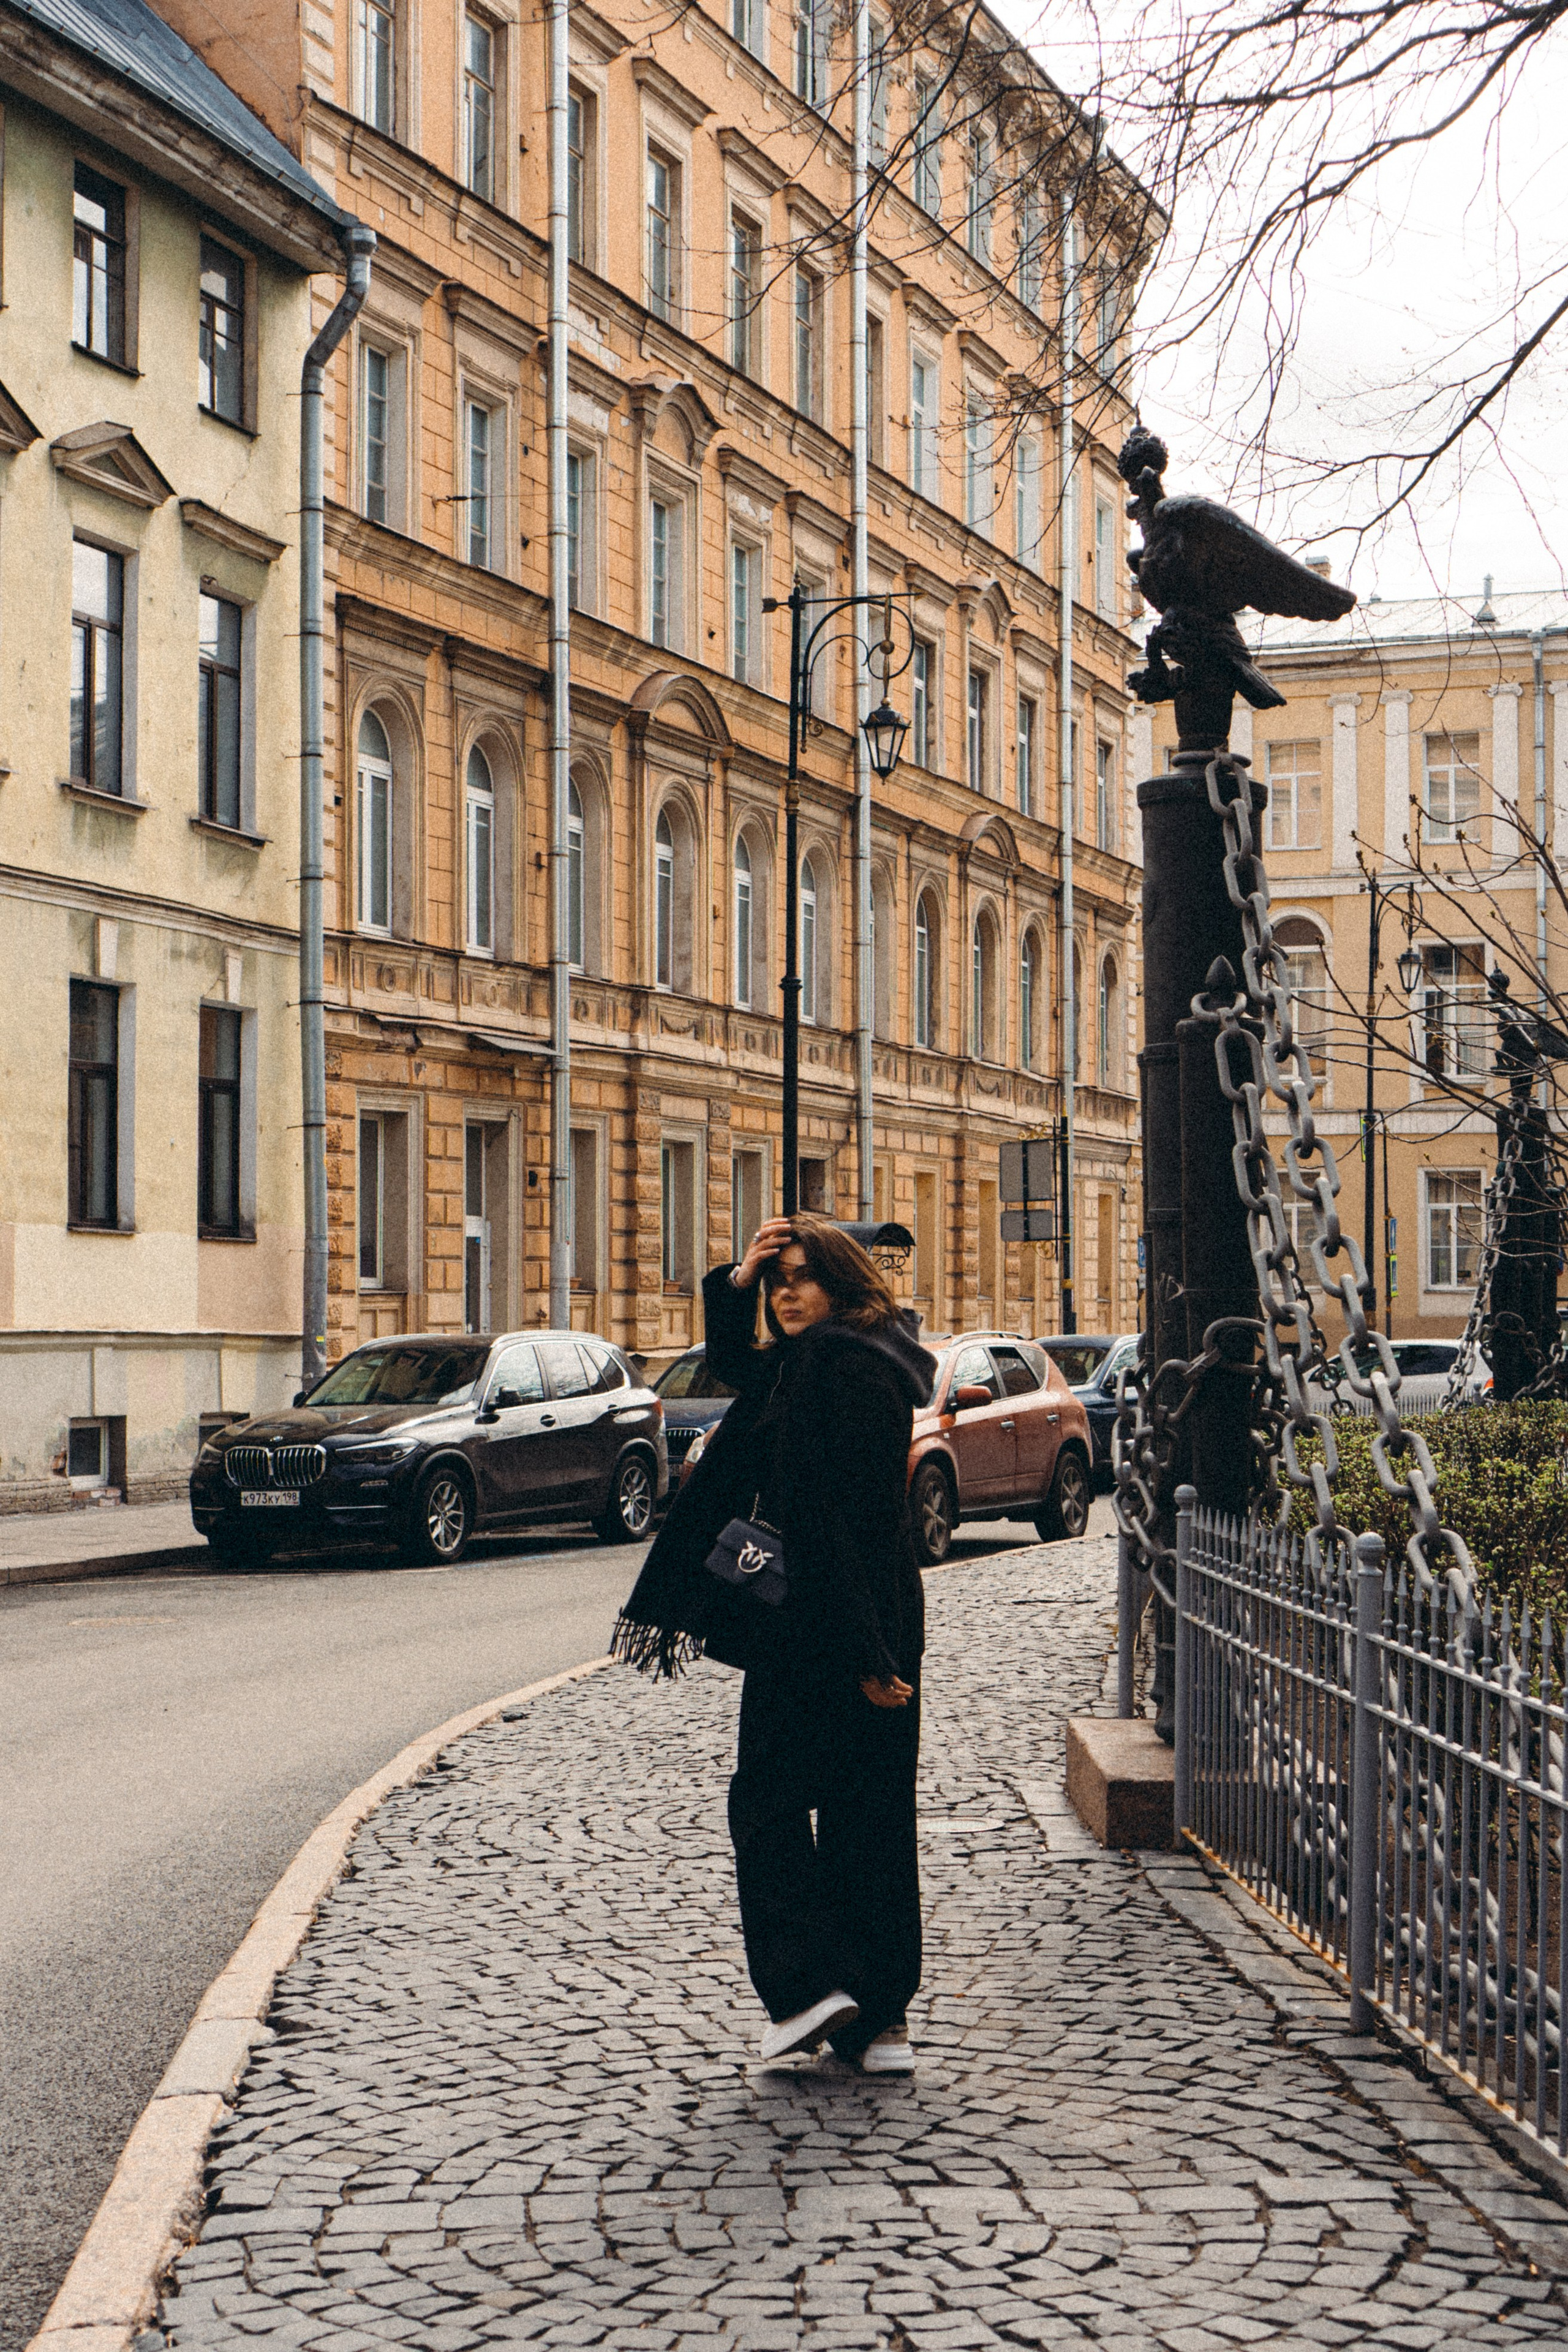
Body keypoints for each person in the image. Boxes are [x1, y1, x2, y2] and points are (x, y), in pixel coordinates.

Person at [612, 1213, 936, 2073]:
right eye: (779, 1280)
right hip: (864, 1619)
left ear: (843, 1284)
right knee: (868, 1813)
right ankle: (877, 2020)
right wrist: (737, 1280)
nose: (787, 1293)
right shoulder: (841, 1361)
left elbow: (846, 1524)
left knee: (768, 1803)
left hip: (831, 1626)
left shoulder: (838, 1376)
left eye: (802, 1278)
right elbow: (736, 1366)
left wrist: (869, 1655)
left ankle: (808, 1991)